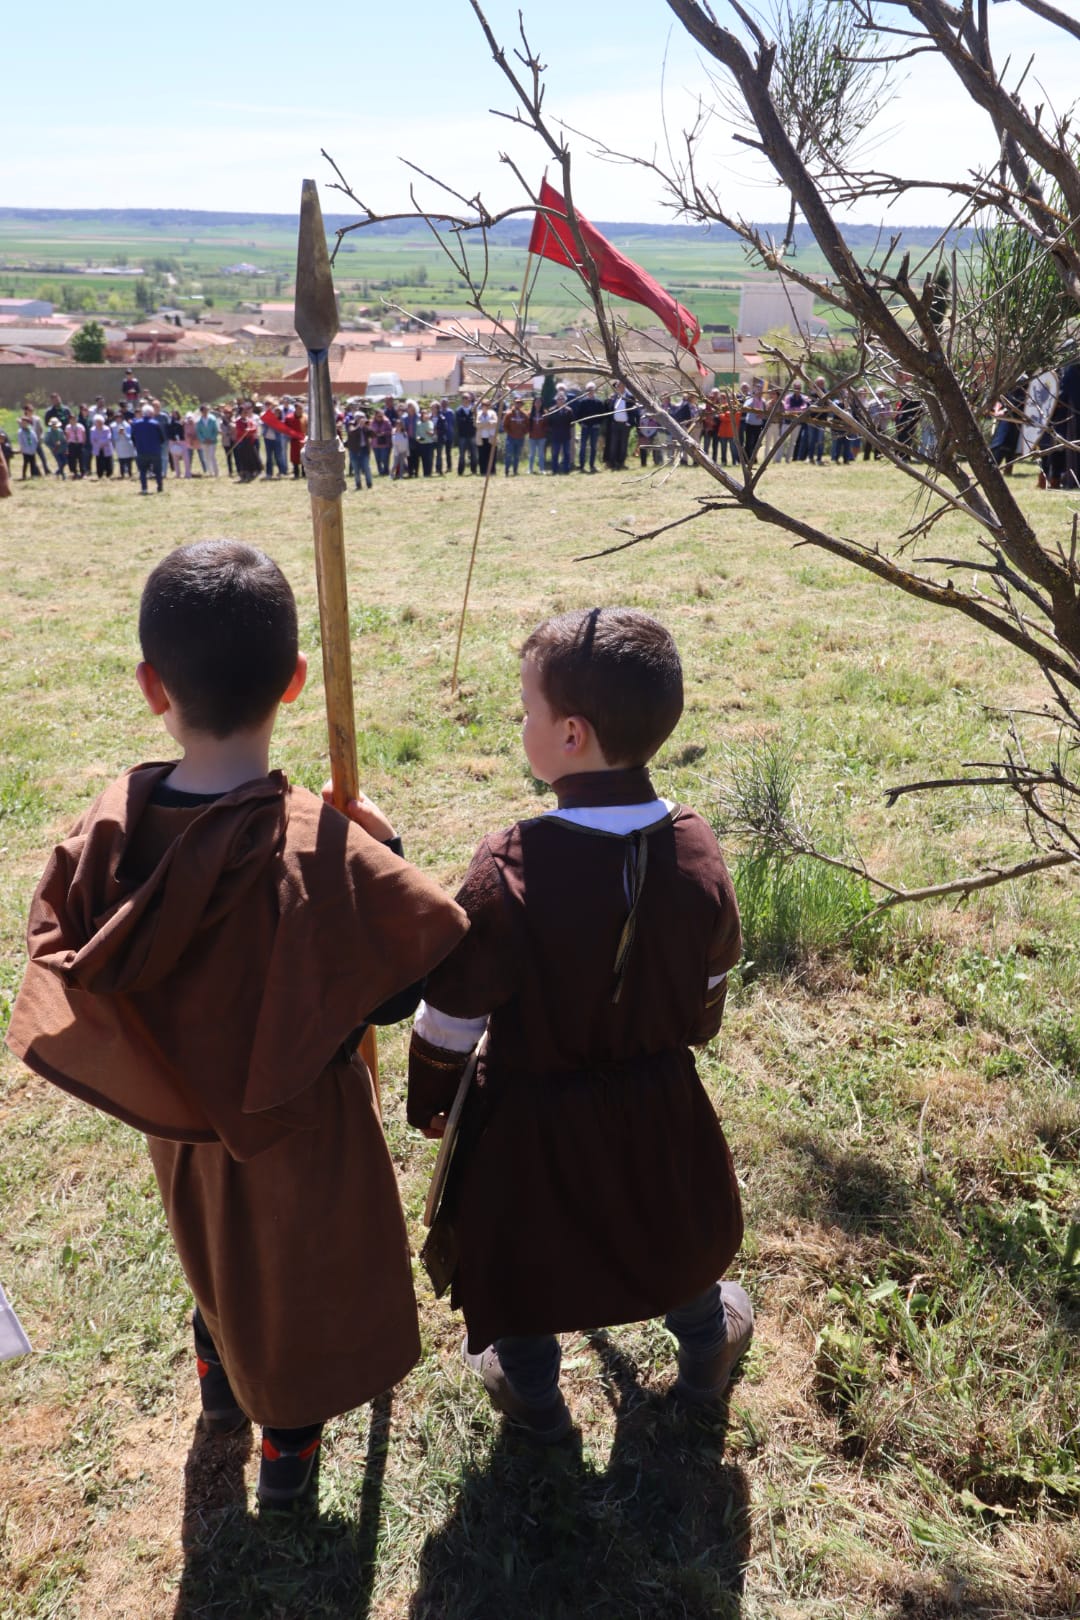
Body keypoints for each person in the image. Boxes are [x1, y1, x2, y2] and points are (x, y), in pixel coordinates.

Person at [6, 540, 467, 1507]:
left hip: (175, 1120)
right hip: (301, 1129)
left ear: (151, 687)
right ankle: (287, 1449)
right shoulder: (322, 845)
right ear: (297, 682)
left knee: (211, 1246)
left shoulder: (114, 821)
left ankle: (219, 1378)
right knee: (295, 1275)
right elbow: (392, 990)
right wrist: (380, 847)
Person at [407, 607, 752, 1441]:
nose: (518, 724)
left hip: (528, 1114)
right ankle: (705, 1344)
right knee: (666, 1218)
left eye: (525, 712)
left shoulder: (509, 866)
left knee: (524, 1247)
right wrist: (678, 1034)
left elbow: (451, 1014)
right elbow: (712, 978)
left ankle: (530, 1387)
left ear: (569, 735)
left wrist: (435, 1101)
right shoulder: (696, 844)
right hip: (657, 1096)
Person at [130, 403, 166, 493]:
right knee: (158, 470)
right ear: (151, 413)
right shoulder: (156, 424)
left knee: (142, 471)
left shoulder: (136, 424)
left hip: (141, 450)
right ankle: (160, 487)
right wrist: (158, 445)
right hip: (155, 451)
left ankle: (144, 488)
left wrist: (137, 445)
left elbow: (132, 437)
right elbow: (162, 438)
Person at [574, 382, 605, 473]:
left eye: (592, 389)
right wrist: (581, 424)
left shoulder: (599, 402)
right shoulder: (582, 402)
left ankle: (592, 466)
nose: (590, 391)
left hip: (595, 428)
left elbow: (602, 415)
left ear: (594, 390)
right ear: (586, 391)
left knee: (593, 447)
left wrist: (598, 423)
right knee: (583, 447)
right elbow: (578, 415)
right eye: (588, 390)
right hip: (585, 427)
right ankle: (582, 466)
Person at [502, 397, 528, 475]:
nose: (518, 404)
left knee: (517, 455)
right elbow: (505, 425)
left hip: (520, 438)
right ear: (514, 404)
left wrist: (524, 432)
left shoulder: (524, 415)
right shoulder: (509, 414)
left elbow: (528, 425)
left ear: (521, 405)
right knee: (509, 454)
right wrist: (510, 432)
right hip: (511, 438)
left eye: (520, 403)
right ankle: (506, 471)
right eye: (517, 403)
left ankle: (515, 471)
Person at [455, 393, 478, 476]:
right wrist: (469, 420)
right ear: (462, 401)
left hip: (472, 435)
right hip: (462, 436)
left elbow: (476, 421)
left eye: (467, 399)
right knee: (462, 455)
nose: (466, 401)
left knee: (474, 454)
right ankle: (460, 471)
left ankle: (474, 470)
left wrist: (467, 420)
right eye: (464, 399)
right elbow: (459, 423)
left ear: (469, 400)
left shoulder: (474, 409)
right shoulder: (458, 411)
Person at [195, 405, 220, 477]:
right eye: (204, 410)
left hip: (212, 441)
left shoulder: (212, 419)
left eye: (207, 410)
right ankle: (210, 472)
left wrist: (211, 438)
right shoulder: (199, 421)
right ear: (201, 411)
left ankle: (216, 472)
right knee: (206, 456)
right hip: (204, 442)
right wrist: (203, 439)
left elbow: (215, 430)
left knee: (212, 456)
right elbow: (198, 432)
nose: (206, 412)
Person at [90, 415, 115, 479]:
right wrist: (100, 443)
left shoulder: (107, 428)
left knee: (108, 461)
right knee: (99, 462)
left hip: (106, 447)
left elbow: (108, 438)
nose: (99, 423)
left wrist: (99, 442)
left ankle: (109, 474)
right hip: (98, 448)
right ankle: (100, 474)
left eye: (100, 421)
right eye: (97, 422)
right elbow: (92, 439)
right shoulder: (92, 429)